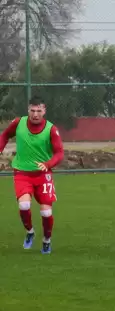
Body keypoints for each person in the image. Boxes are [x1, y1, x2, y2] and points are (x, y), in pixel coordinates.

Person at [0, 96, 65, 254]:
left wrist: (48, 164)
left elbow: (59, 153)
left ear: (44, 111)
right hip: (22, 173)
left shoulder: (51, 129)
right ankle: (30, 232)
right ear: (28, 110)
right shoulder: (18, 123)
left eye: (39, 110)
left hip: (43, 175)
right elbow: (5, 135)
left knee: (46, 212)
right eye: (32, 110)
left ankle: (46, 240)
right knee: (24, 205)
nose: (35, 114)